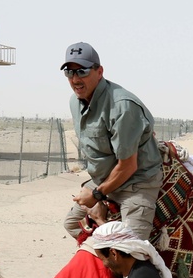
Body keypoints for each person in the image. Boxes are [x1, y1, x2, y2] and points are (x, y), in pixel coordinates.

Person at [62, 42, 163, 242]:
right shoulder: (75, 101)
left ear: (99, 72)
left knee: (131, 249)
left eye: (82, 71)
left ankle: (107, 235)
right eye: (69, 72)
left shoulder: (122, 106)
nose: (75, 79)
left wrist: (97, 196)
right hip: (104, 178)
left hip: (136, 183)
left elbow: (128, 165)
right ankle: (103, 248)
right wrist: (95, 188)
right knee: (71, 224)